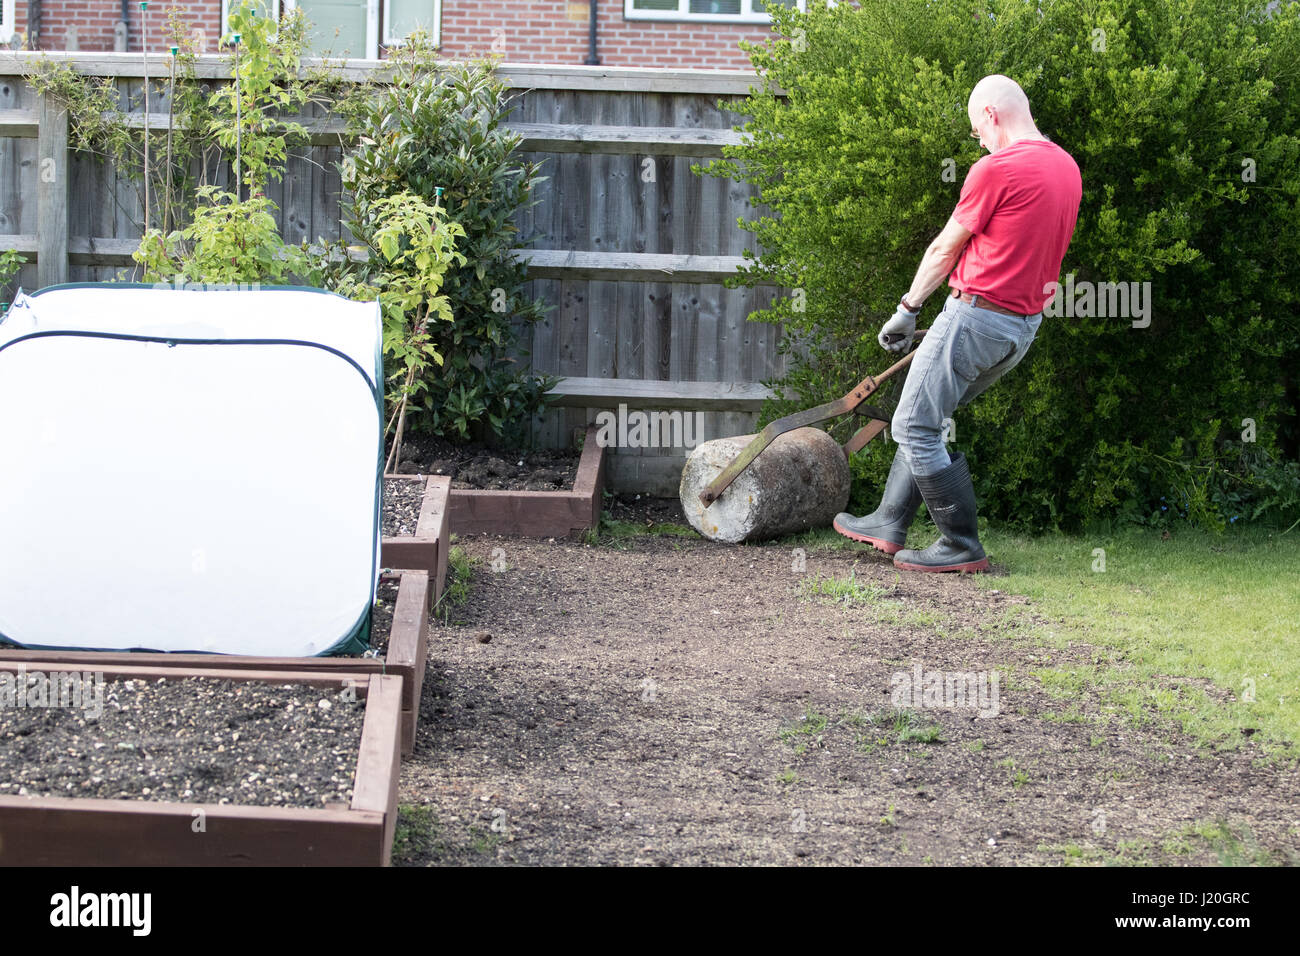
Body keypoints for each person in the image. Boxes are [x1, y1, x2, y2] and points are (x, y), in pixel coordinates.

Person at [833, 74, 1082, 572]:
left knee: (912, 424)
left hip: (976, 315)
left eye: (975, 128)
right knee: (928, 413)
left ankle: (960, 544)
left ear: (990, 114)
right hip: (1020, 328)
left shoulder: (997, 168)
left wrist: (907, 309)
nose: (978, 139)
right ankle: (888, 521)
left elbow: (945, 248)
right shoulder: (1067, 168)